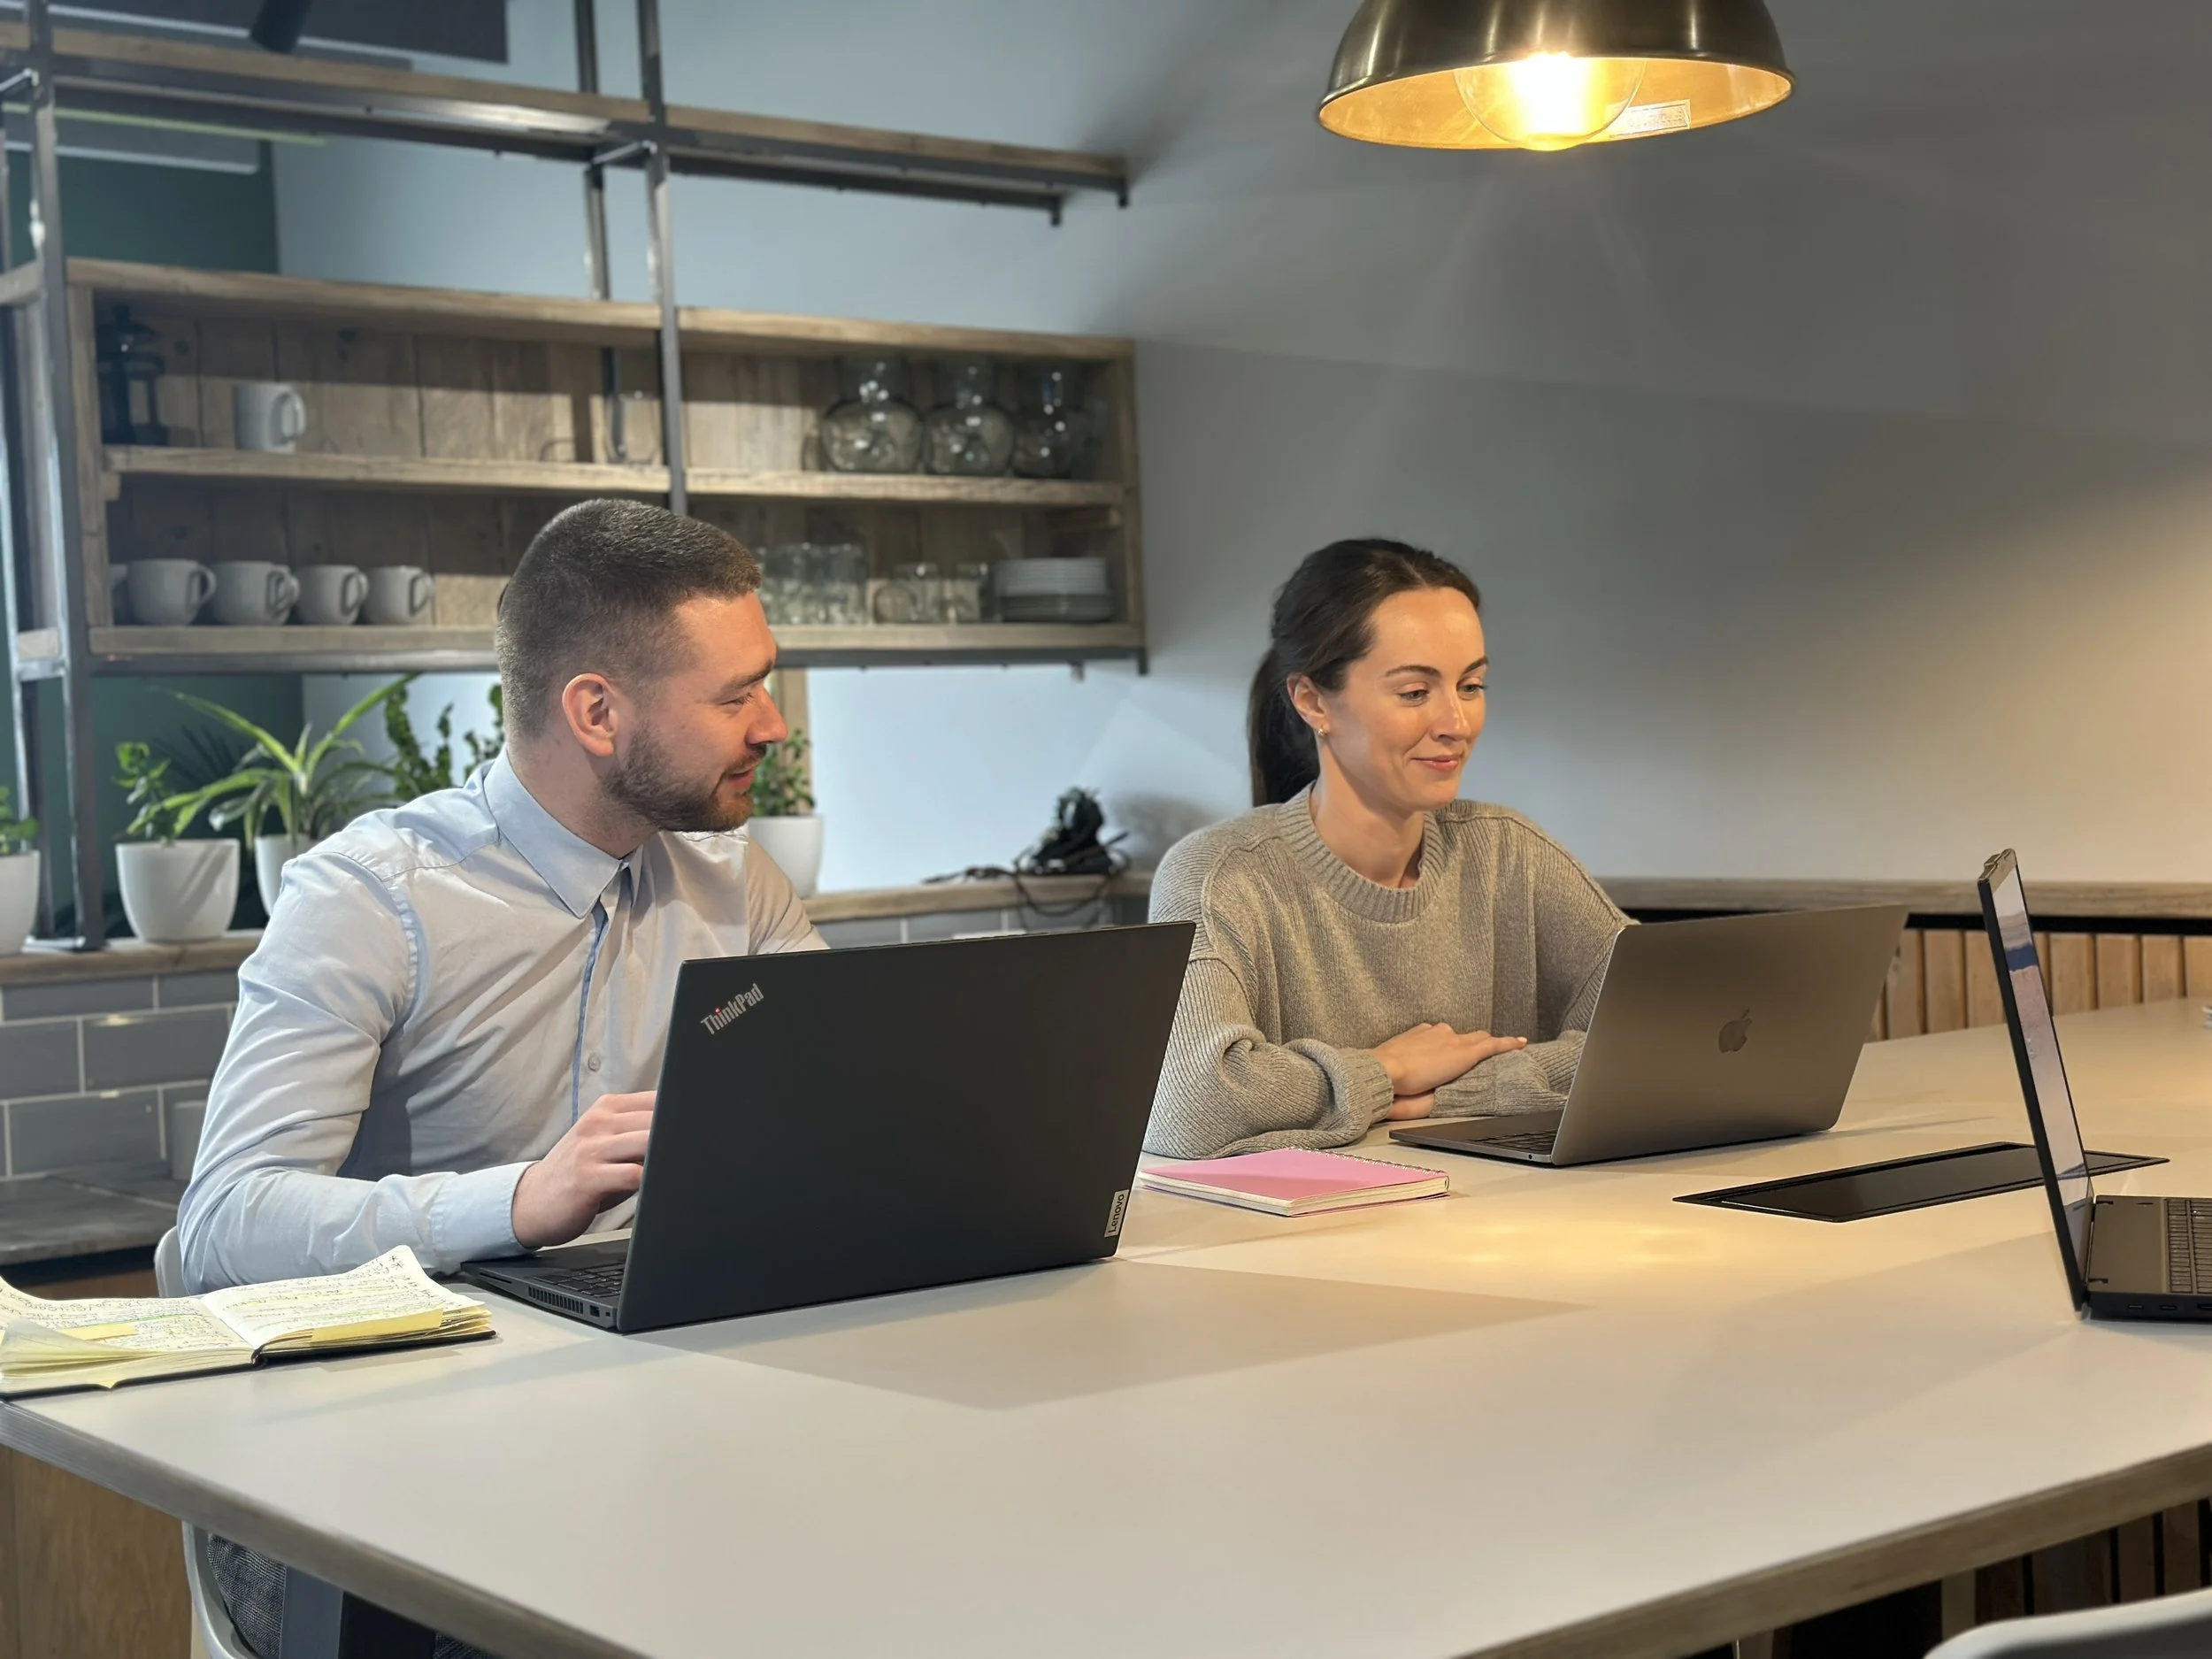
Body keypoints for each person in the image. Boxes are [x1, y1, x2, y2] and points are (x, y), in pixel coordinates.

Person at [177, 498, 820, 1659]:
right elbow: (226, 1218)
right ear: (594, 710)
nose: (771, 724)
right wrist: (517, 1198)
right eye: (736, 696)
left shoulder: (737, 887)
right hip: (365, 1471)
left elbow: (844, 1120)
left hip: (635, 1430)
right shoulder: (369, 897)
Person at [1144, 537, 1625, 1159]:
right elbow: (1191, 1104)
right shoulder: (1219, 876)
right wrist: (1386, 1070)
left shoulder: (1512, 855)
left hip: (1496, 1234)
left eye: (1471, 684)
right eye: (1414, 693)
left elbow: (1667, 1030)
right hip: (1309, 1251)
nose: (1456, 721)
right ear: (1313, 700)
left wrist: (1456, 1091)